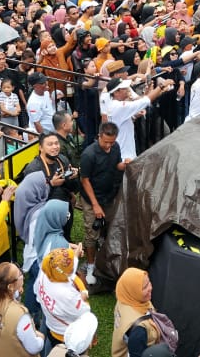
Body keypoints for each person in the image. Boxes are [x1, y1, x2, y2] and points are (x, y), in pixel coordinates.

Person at [78, 122, 125, 285]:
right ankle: (91, 265)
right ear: (99, 136)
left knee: (110, 227)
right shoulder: (88, 155)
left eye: (111, 142)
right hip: (92, 198)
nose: (108, 145)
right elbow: (85, 180)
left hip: (109, 196)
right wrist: (95, 205)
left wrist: (123, 165)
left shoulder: (116, 147)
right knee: (92, 232)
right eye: (106, 142)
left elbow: (115, 166)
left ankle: (106, 259)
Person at [0, 262, 44, 357]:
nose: (22, 275)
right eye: (19, 274)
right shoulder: (19, 315)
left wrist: (15, 292)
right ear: (10, 287)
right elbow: (33, 348)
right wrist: (40, 337)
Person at [112, 268, 167, 357]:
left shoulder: (125, 298)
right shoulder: (139, 330)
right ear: (132, 290)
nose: (150, 288)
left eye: (149, 282)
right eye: (144, 287)